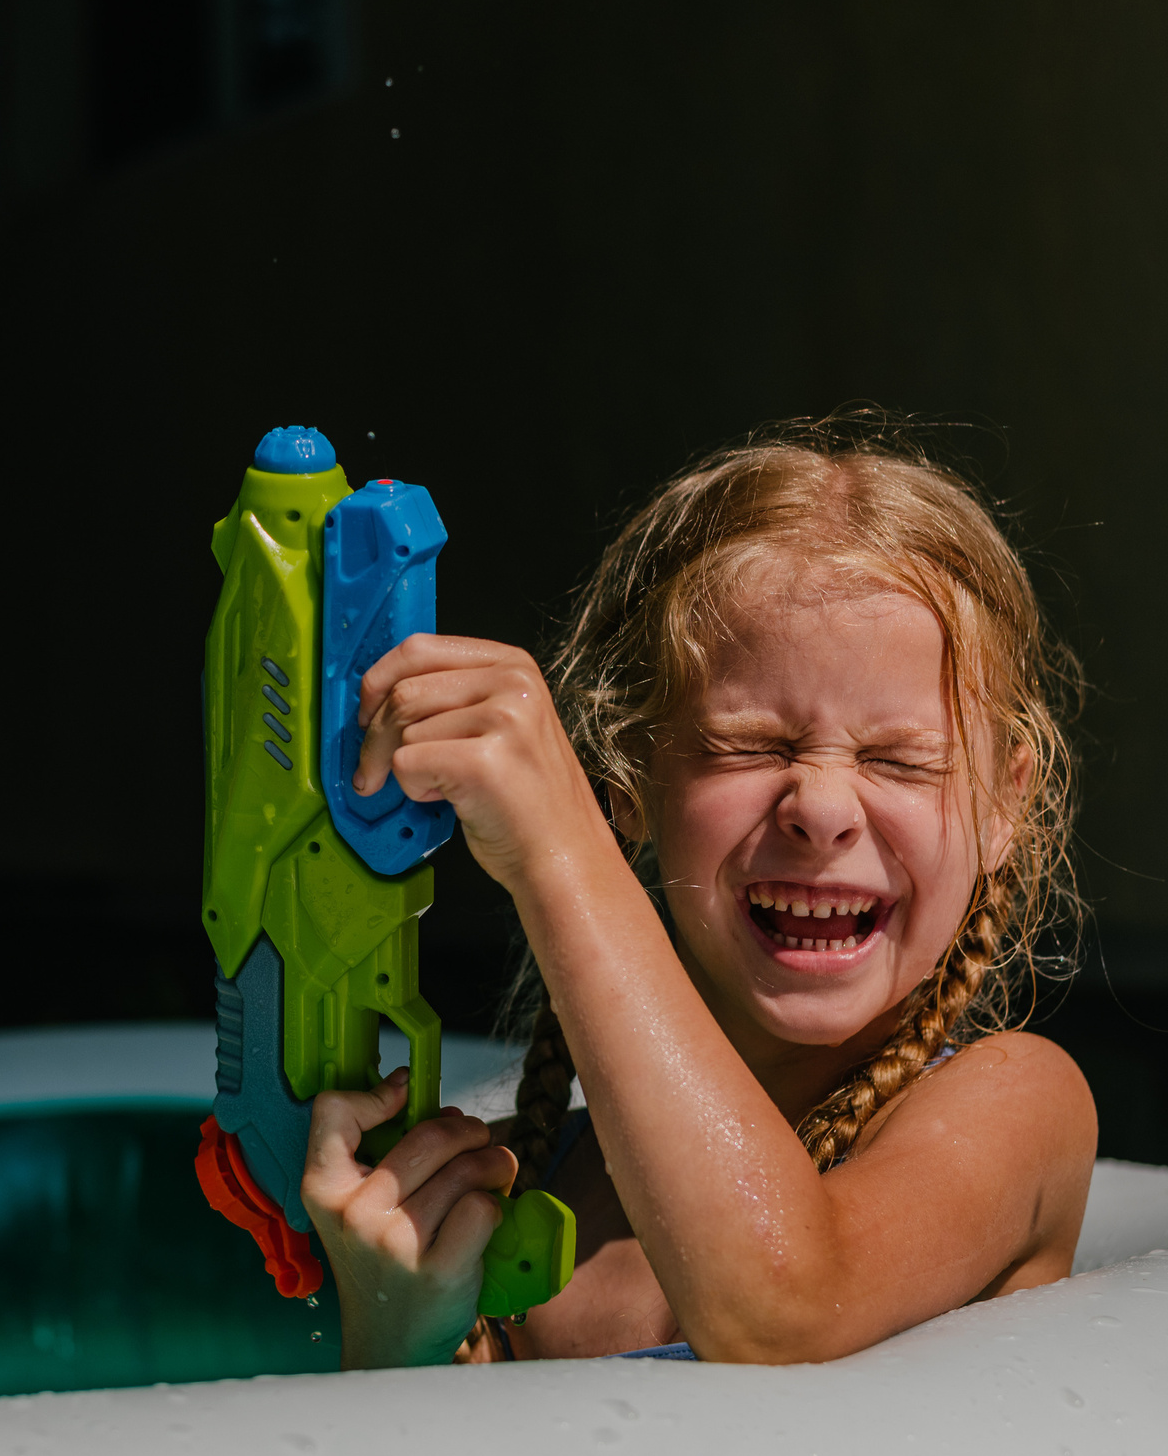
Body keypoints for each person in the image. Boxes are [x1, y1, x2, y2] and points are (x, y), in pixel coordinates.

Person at [299, 422, 1097, 1368]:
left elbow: (785, 1305)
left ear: (1007, 802)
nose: (823, 807)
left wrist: (561, 849)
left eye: (898, 759)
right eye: (750, 745)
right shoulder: (509, 1180)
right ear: (630, 781)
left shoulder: (1015, 1106)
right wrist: (394, 1329)